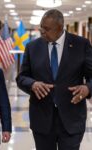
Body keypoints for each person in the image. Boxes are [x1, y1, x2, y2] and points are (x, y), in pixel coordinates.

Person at [16, 9, 92, 150]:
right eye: (41, 27)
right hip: (42, 120)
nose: (42, 32)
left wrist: (87, 88)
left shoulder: (81, 45)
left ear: (60, 28)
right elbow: (21, 77)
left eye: (47, 29)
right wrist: (32, 84)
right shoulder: (32, 47)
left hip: (72, 120)